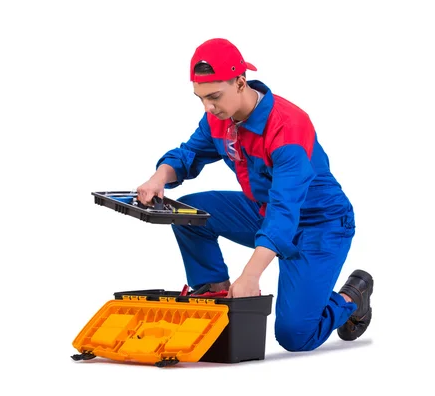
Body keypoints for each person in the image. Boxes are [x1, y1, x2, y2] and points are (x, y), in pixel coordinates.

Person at [136, 38, 373, 352]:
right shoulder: (219, 117)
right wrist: (159, 178)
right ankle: (217, 294)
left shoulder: (288, 126)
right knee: (187, 213)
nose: (208, 107)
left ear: (239, 82)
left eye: (214, 96)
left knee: (295, 335)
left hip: (320, 225)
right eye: (201, 98)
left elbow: (285, 210)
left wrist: (250, 275)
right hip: (263, 211)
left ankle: (350, 298)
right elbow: (188, 155)